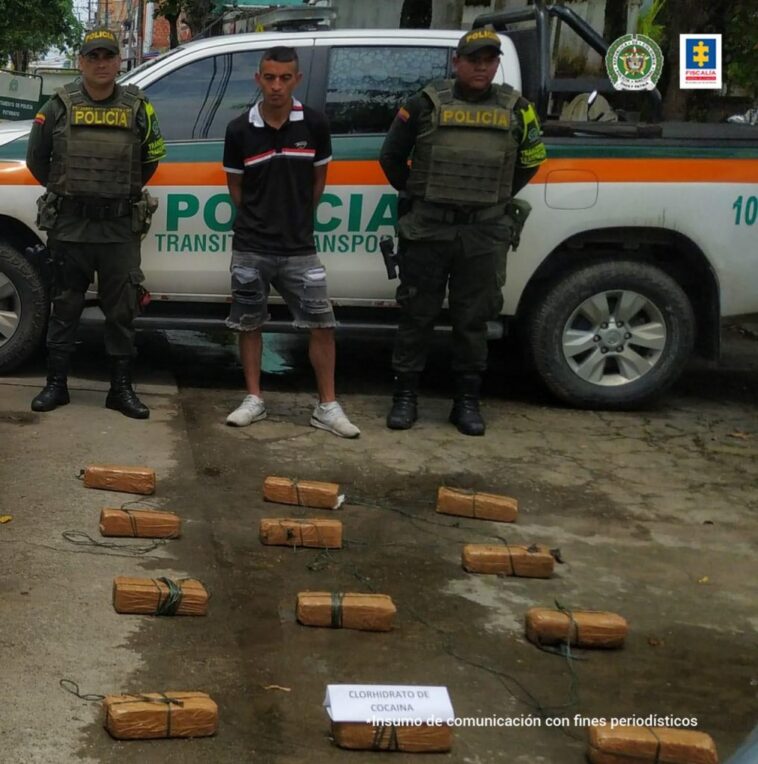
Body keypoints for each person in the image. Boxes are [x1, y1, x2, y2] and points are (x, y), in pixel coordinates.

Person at [379, 27, 546, 436]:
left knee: (472, 321)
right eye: (474, 59)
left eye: (489, 60)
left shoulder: (518, 108)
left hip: (484, 233)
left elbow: (531, 159)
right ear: (457, 62)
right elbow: (391, 156)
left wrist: (494, 197)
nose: (482, 67)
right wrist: (419, 194)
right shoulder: (424, 104)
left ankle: (466, 403)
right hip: (429, 229)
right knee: (417, 315)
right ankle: (405, 398)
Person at [26, 28, 166, 419]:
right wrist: (71, 192)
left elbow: (151, 159)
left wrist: (118, 194)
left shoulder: (139, 106)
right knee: (64, 305)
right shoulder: (56, 105)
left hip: (119, 229)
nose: (101, 63)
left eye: (108, 56)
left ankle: (120, 390)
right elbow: (38, 160)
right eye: (93, 56)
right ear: (81, 62)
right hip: (70, 227)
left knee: (122, 310)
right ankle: (56, 386)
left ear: (118, 61)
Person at [222, 46, 359, 438]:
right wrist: (260, 220)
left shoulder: (315, 124)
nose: (276, 86)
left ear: (296, 80)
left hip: (300, 247)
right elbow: (237, 188)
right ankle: (253, 399)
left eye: (285, 78)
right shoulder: (238, 130)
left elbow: (318, 182)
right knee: (249, 323)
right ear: (258, 79)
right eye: (269, 77)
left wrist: (296, 218)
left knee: (322, 323)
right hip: (251, 245)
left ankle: (327, 406)